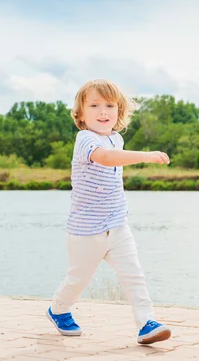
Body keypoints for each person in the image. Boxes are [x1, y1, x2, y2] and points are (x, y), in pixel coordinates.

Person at [46, 79, 172, 345]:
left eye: (109, 106)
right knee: (79, 279)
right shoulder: (85, 139)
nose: (103, 112)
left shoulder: (117, 138)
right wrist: (146, 155)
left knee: (134, 274)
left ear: (119, 112)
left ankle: (146, 323)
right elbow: (104, 158)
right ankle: (58, 308)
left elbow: (114, 157)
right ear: (80, 114)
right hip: (86, 230)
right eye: (94, 105)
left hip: (116, 224)